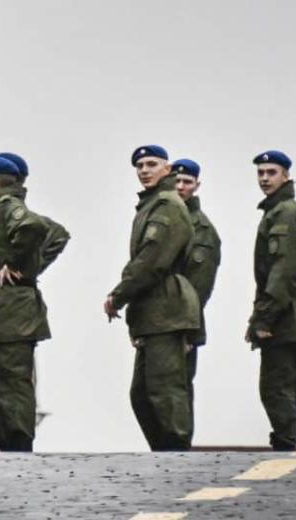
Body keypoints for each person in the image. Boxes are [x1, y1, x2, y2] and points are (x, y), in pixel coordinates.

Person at [104, 145, 200, 451]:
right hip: (152, 310)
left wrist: (119, 294)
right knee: (143, 394)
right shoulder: (152, 205)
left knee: (165, 390)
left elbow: (152, 259)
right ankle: (164, 452)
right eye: (140, 165)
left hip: (166, 310)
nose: (144, 170)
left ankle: (176, 453)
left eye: (151, 164)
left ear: (167, 169)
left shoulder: (167, 205)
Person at [0, 155, 63, 452]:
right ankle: (7, 443)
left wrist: (17, 265)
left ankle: (18, 447)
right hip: (0, 308)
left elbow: (35, 228)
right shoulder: (2, 208)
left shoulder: (7, 207)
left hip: (12, 310)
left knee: (11, 381)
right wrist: (30, 264)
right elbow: (56, 233)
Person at [246, 150, 296, 451]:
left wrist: (264, 318)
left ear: (286, 175)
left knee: (277, 385)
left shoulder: (285, 212)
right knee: (282, 383)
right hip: (286, 309)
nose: (264, 178)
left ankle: (285, 443)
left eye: (271, 172)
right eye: (261, 173)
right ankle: (285, 440)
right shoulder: (277, 210)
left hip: (287, 312)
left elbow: (283, 270)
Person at [170, 158, 222, 401]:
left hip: (182, 324)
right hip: (158, 322)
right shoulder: (165, 218)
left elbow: (200, 287)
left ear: (196, 185)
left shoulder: (202, 230)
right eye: (176, 180)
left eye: (187, 182)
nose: (180, 186)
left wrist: (188, 330)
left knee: (177, 390)